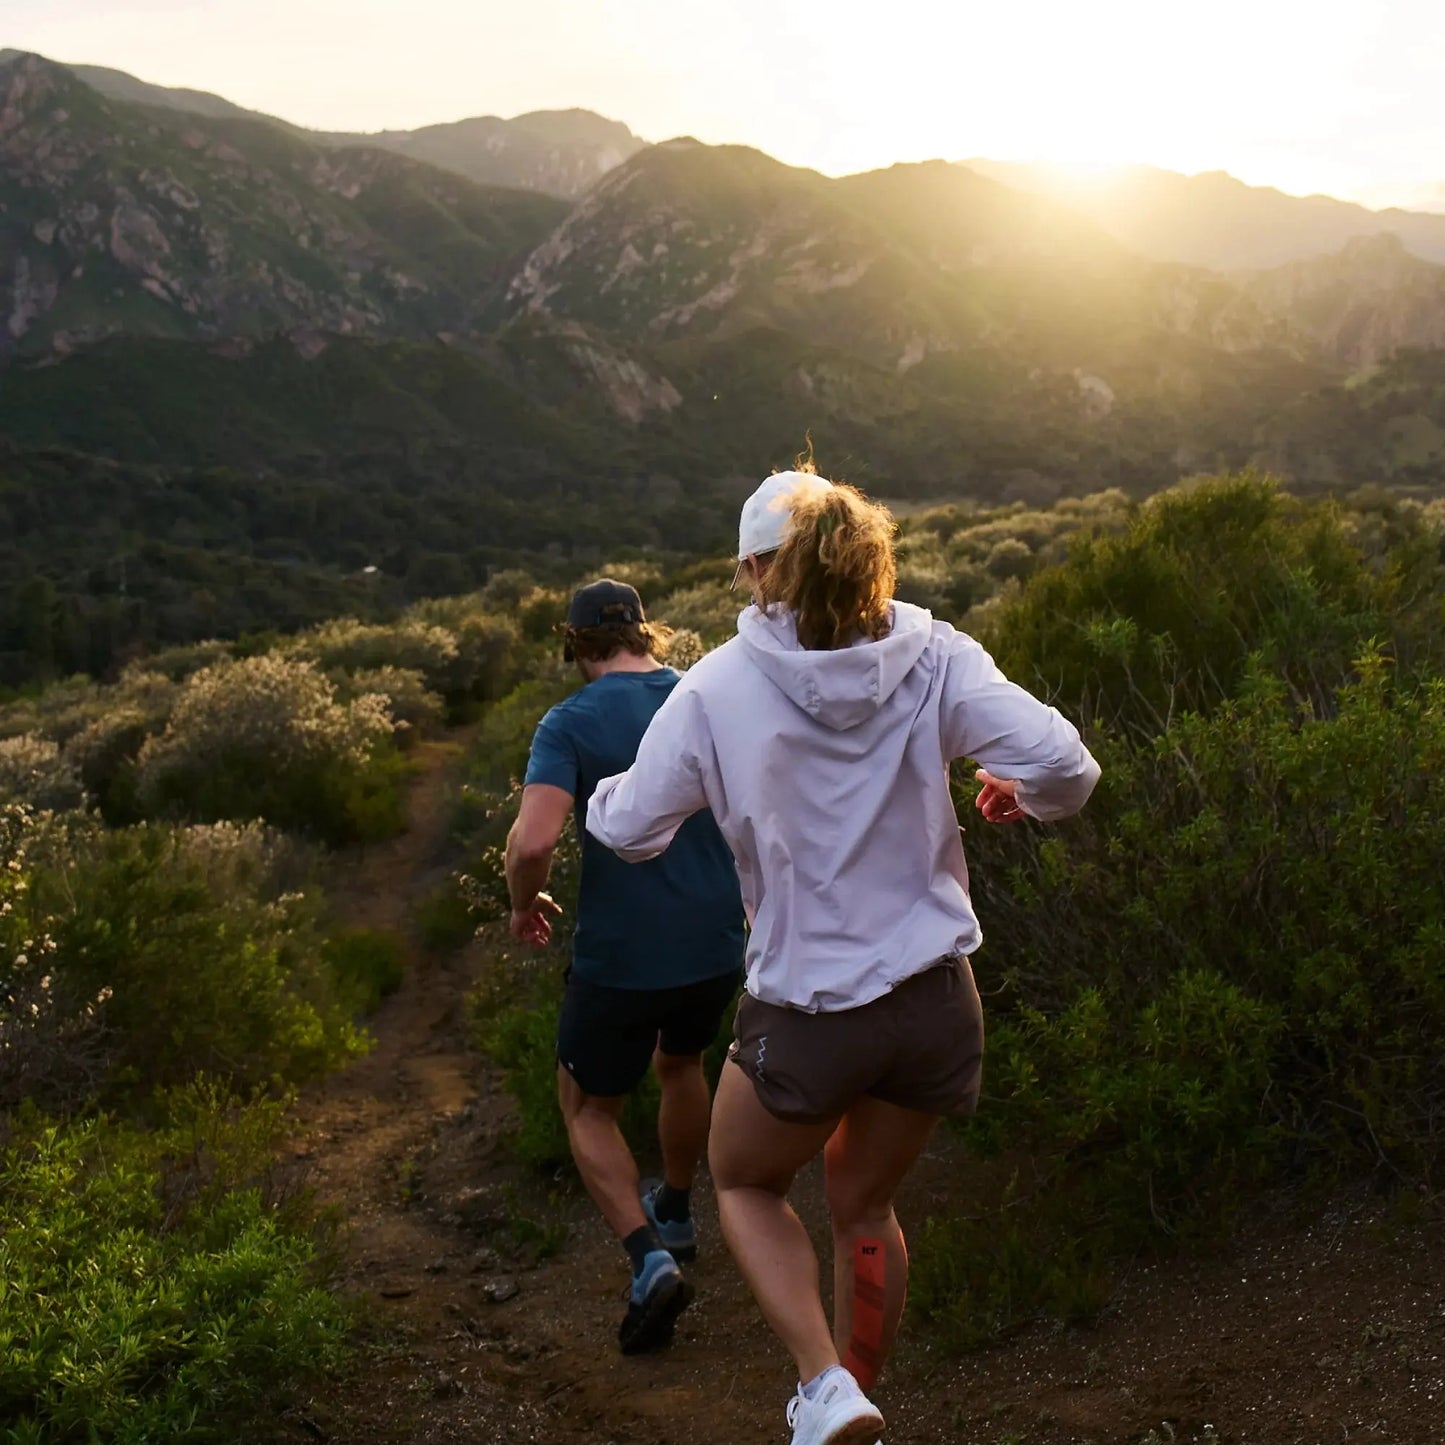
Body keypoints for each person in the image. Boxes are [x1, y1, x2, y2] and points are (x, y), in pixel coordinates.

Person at [586, 471, 1100, 1444]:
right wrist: (1014, 792)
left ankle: (823, 1385)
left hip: (811, 1010)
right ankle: (851, 1397)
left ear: (749, 569)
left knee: (740, 1180)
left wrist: (614, 797)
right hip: (935, 999)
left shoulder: (715, 689)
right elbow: (1064, 768)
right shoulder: (932, 652)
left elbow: (627, 825)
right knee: (865, 1200)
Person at [504, 578, 745, 1356]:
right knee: (682, 1064)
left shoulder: (569, 721)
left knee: (585, 1107)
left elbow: (532, 842)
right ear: (646, 632)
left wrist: (523, 902)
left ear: (573, 642)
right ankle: (675, 1207)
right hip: (716, 941)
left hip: (621, 957)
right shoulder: (707, 693)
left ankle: (649, 1261)